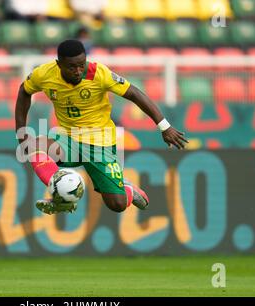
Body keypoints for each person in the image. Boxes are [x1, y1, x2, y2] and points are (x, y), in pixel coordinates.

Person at [15, 39, 188, 215]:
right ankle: (62, 196)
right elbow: (24, 91)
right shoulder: (44, 74)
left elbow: (135, 94)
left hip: (100, 145)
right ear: (59, 64)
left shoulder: (98, 73)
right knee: (31, 145)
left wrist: (164, 127)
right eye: (71, 67)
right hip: (68, 140)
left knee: (117, 205)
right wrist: (21, 132)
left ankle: (128, 189)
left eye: (81, 65)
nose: (78, 71)